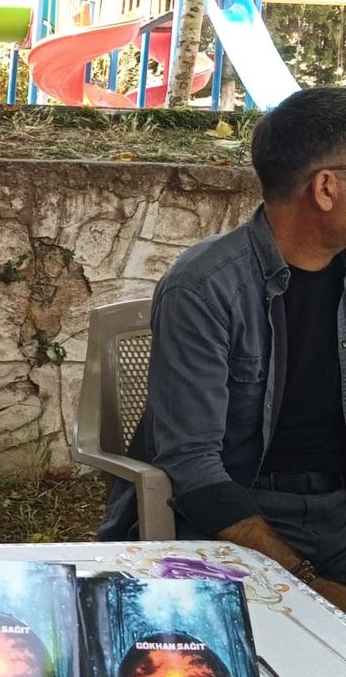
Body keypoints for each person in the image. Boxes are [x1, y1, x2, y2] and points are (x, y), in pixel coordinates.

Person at [98, 87, 346, 610]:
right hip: (238, 518)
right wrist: (305, 582)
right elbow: (193, 466)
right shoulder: (204, 286)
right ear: (325, 187)